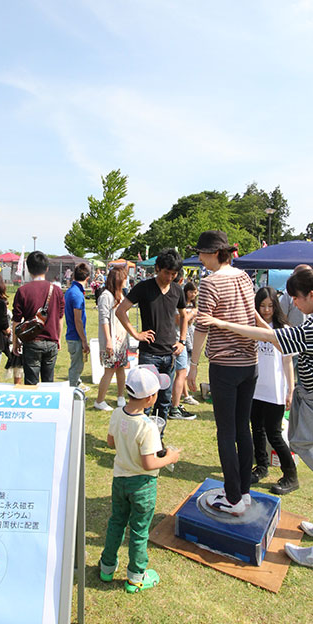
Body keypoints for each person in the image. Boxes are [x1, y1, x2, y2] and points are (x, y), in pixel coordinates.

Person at [198, 266, 313, 570]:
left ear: (312, 295)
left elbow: (271, 336)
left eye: (296, 298)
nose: (293, 304)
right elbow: (270, 329)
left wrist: (221, 322)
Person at [187, 230, 257, 516]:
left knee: (226, 432)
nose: (200, 258)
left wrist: (193, 365)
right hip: (250, 363)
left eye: (202, 253)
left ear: (215, 253)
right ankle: (243, 492)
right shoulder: (244, 277)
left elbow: (202, 326)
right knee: (243, 428)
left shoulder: (210, 283)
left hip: (225, 366)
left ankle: (232, 498)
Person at [99, 365, 180, 592]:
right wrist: (170, 457)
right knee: (138, 530)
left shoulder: (117, 413)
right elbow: (149, 463)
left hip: (120, 480)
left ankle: (107, 567)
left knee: (116, 522)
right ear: (150, 398)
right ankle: (136, 576)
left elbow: (111, 442)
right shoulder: (148, 427)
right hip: (142, 485)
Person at [116, 249, 188, 439]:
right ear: (157, 269)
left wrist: (182, 341)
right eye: (166, 272)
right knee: (143, 400)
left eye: (174, 274)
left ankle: (157, 440)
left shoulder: (177, 290)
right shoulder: (144, 287)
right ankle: (139, 440)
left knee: (164, 401)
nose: (169, 277)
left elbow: (184, 315)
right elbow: (121, 311)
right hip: (149, 354)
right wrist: (136, 334)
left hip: (170, 354)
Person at [249, 287, 298, 495]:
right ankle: (261, 467)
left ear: (276, 306)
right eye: (262, 306)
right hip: (254, 388)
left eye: (270, 305)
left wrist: (290, 389)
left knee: (274, 433)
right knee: (256, 430)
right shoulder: (251, 327)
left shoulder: (284, 328)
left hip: (275, 390)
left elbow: (288, 361)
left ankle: (291, 474)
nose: (266, 310)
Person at [12, 251, 65, 385]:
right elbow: (60, 318)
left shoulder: (23, 291)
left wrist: (15, 341)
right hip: (51, 340)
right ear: (46, 268)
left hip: (31, 341)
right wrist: (58, 338)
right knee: (49, 382)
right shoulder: (57, 290)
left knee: (31, 383)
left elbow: (16, 320)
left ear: (28, 269)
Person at [94, 266, 129, 411]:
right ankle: (99, 400)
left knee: (121, 368)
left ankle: (121, 396)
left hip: (122, 340)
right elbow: (104, 319)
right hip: (112, 340)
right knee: (109, 370)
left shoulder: (121, 296)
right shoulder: (106, 296)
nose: (127, 281)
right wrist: (108, 340)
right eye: (125, 278)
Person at [169, 275, 197, 420]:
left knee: (173, 373)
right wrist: (192, 313)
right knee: (180, 373)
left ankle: (173, 404)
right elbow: (179, 319)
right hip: (176, 341)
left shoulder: (165, 291)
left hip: (169, 339)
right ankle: (174, 407)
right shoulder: (175, 293)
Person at [64, 263, 91, 389]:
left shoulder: (71, 291)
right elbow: (78, 320)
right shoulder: (77, 294)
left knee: (77, 363)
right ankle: (72, 389)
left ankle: (77, 383)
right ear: (87, 278)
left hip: (72, 334)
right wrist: (84, 341)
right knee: (76, 366)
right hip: (75, 336)